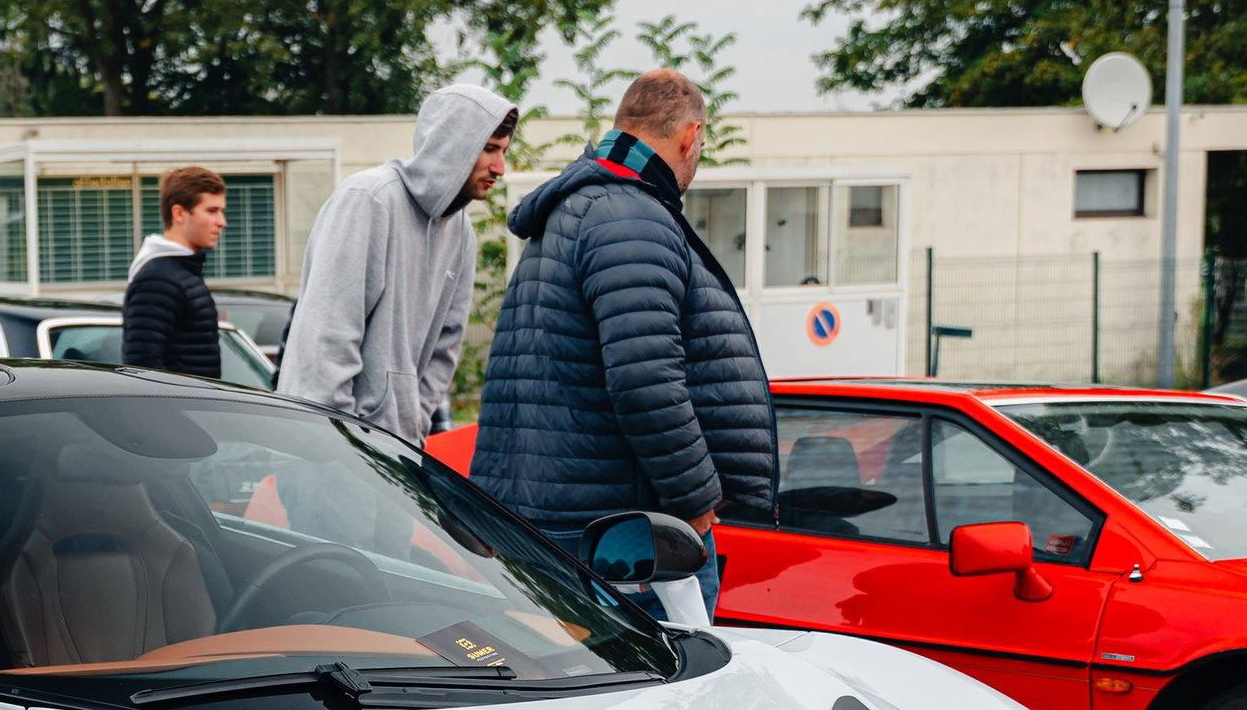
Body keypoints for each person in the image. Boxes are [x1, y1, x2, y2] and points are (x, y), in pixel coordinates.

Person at [469, 67, 776, 604]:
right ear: (691, 136)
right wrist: (696, 504)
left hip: (558, 518)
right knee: (670, 685)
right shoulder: (631, 218)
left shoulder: (579, 210)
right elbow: (647, 383)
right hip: (620, 536)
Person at [275, 79, 515, 442]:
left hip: (394, 451)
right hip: (329, 448)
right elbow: (328, 336)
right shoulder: (369, 198)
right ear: (453, 145)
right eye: (490, 149)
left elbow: (445, 348)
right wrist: (341, 440)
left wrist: (412, 423)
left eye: (504, 151)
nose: (500, 167)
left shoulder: (462, 230)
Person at [121, 166, 227, 379]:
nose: (221, 222)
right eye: (211, 211)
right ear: (179, 213)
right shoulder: (158, 280)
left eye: (221, 211)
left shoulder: (181, 272)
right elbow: (143, 368)